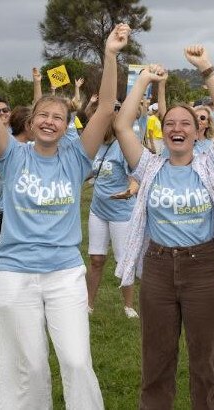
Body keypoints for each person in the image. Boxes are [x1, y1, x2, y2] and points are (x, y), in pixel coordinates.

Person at [0, 20, 130, 409]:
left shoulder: (75, 158)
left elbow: (105, 107)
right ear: (31, 122)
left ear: (67, 126)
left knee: (76, 360)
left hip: (65, 275)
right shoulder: (13, 156)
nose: (50, 121)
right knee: (28, 368)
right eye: (43, 115)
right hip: (15, 275)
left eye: (58, 117)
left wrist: (110, 54)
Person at [114, 45, 214, 409]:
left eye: (186, 123)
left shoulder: (212, 165)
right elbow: (122, 124)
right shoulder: (149, 167)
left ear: (198, 131)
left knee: (209, 361)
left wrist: (206, 69)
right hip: (157, 268)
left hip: (202, 267)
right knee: (156, 360)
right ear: (163, 131)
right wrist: (142, 81)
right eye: (170, 123)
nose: (177, 128)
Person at [86, 116, 138, 319]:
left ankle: (128, 306)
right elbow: (88, 172)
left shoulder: (122, 147)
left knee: (123, 260)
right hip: (98, 210)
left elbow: (135, 178)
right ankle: (89, 304)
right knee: (96, 259)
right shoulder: (96, 146)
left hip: (121, 213)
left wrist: (130, 191)